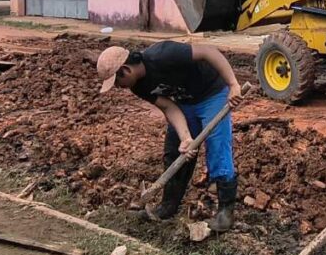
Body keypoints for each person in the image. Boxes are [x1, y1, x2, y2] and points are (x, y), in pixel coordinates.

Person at [97, 41, 241, 231]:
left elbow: (208, 51)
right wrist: (185, 137)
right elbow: (168, 107)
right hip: (185, 102)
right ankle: (168, 205)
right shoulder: (138, 86)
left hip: (212, 94)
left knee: (217, 146)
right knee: (175, 149)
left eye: (116, 82)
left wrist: (233, 84)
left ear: (125, 69)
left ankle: (225, 212)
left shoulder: (163, 54)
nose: (118, 87)